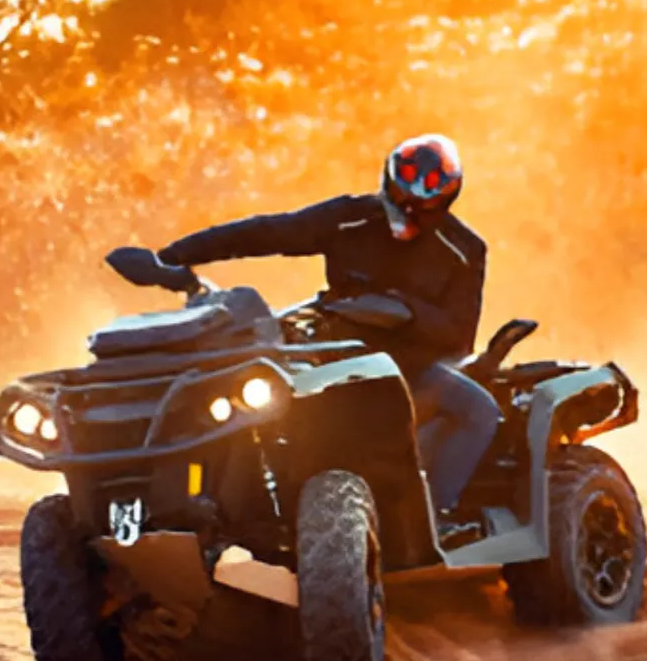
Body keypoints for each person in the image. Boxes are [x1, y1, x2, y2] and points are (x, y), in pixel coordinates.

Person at [153, 134, 501, 542]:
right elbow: (267, 232)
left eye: (424, 205)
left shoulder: (465, 250)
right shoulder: (348, 218)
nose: (408, 210)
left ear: (446, 200)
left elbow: (460, 336)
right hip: (329, 358)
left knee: (480, 410)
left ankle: (436, 518)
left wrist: (402, 312)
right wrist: (172, 256)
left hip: (412, 371)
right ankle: (219, 507)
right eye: (401, 196)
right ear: (387, 182)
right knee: (239, 393)